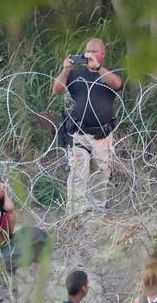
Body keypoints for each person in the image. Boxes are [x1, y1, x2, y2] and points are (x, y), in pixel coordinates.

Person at [52, 37, 126, 213]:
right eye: (87, 51)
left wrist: (98, 68)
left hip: (102, 134)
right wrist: (65, 70)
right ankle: (75, 213)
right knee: (79, 169)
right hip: (79, 132)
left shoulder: (109, 74)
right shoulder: (75, 75)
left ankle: (97, 212)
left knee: (100, 174)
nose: (90, 54)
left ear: (103, 54)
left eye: (94, 51)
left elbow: (117, 84)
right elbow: (57, 89)